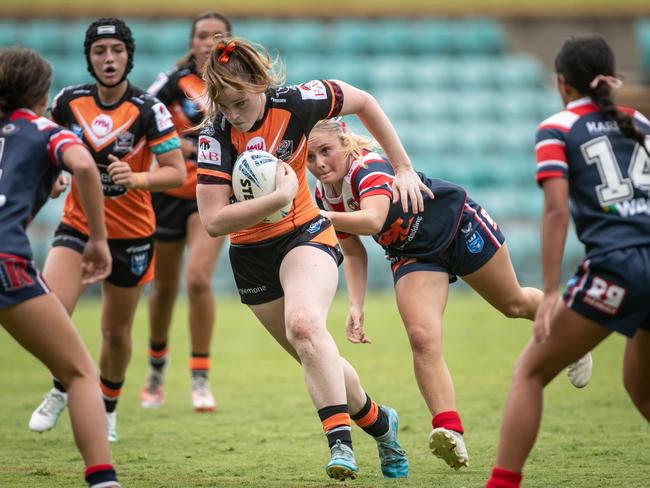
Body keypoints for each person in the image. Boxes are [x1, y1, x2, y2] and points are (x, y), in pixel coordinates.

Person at [195, 37, 431, 480]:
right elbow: (212, 220)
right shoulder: (215, 136)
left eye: (240, 102)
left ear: (259, 84)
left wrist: (403, 167)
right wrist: (278, 196)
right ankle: (382, 425)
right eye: (223, 106)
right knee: (316, 355)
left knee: (304, 326)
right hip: (250, 254)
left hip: (305, 233)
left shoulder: (300, 101)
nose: (233, 114)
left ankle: (340, 447)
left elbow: (364, 102)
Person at [306, 117, 548, 470]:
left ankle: (560, 328)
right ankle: (450, 431)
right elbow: (354, 250)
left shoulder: (367, 166)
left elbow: (373, 221)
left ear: (345, 143)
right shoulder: (324, 194)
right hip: (413, 254)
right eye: (310, 158)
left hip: (457, 227)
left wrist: (314, 215)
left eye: (325, 151)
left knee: (514, 304)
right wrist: (356, 304)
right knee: (421, 337)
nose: (319, 163)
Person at [485, 34, 650, 488]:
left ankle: (502, 483)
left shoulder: (557, 127)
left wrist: (552, 290)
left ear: (562, 83)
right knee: (643, 392)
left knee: (531, 372)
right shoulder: (640, 122)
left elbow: (556, 209)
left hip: (618, 266)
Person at [27, 17, 185, 443]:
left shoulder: (148, 109)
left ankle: (108, 408)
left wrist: (138, 179)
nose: (109, 59)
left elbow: (175, 172)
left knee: (115, 334)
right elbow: (47, 153)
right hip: (78, 226)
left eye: (116, 50)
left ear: (128, 56)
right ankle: (62, 387)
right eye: (100, 51)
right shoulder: (67, 102)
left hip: (132, 233)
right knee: (53, 309)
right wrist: (56, 176)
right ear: (89, 58)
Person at [0, 47, 120, 488]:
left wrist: (42, 182)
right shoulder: (46, 130)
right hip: (5, 262)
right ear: (40, 96)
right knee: (80, 372)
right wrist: (100, 241)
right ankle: (103, 480)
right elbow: (86, 165)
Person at [141, 11, 232, 412]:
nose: (209, 41)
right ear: (192, 43)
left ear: (230, 42)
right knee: (162, 289)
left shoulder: (239, 86)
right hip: (166, 194)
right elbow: (139, 117)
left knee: (197, 280)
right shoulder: (173, 83)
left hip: (210, 194)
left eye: (218, 35)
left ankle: (200, 379)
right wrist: (178, 146)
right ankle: (156, 374)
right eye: (202, 35)